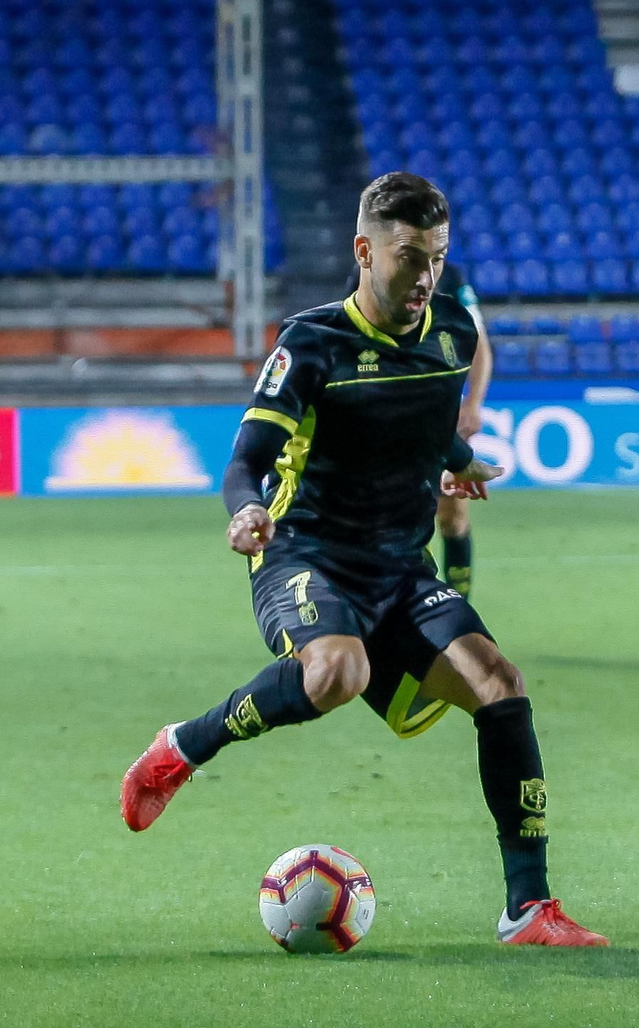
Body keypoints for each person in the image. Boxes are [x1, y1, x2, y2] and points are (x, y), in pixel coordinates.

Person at [121, 172, 606, 946]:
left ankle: (528, 909)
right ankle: (183, 746)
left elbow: (429, 416)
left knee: (501, 685)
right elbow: (246, 457)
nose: (425, 277)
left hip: (400, 565)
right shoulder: (311, 343)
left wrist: (460, 460)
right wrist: (246, 508)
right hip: (305, 553)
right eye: (409, 256)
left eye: (438, 258)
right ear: (364, 250)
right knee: (337, 673)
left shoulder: (454, 331)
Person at [343, 259, 492, 603]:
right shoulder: (368, 271)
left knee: (453, 515)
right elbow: (347, 336)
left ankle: (458, 611)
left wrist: (473, 403)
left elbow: (479, 343)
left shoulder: (453, 277)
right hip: (387, 414)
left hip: (439, 414)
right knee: (395, 515)